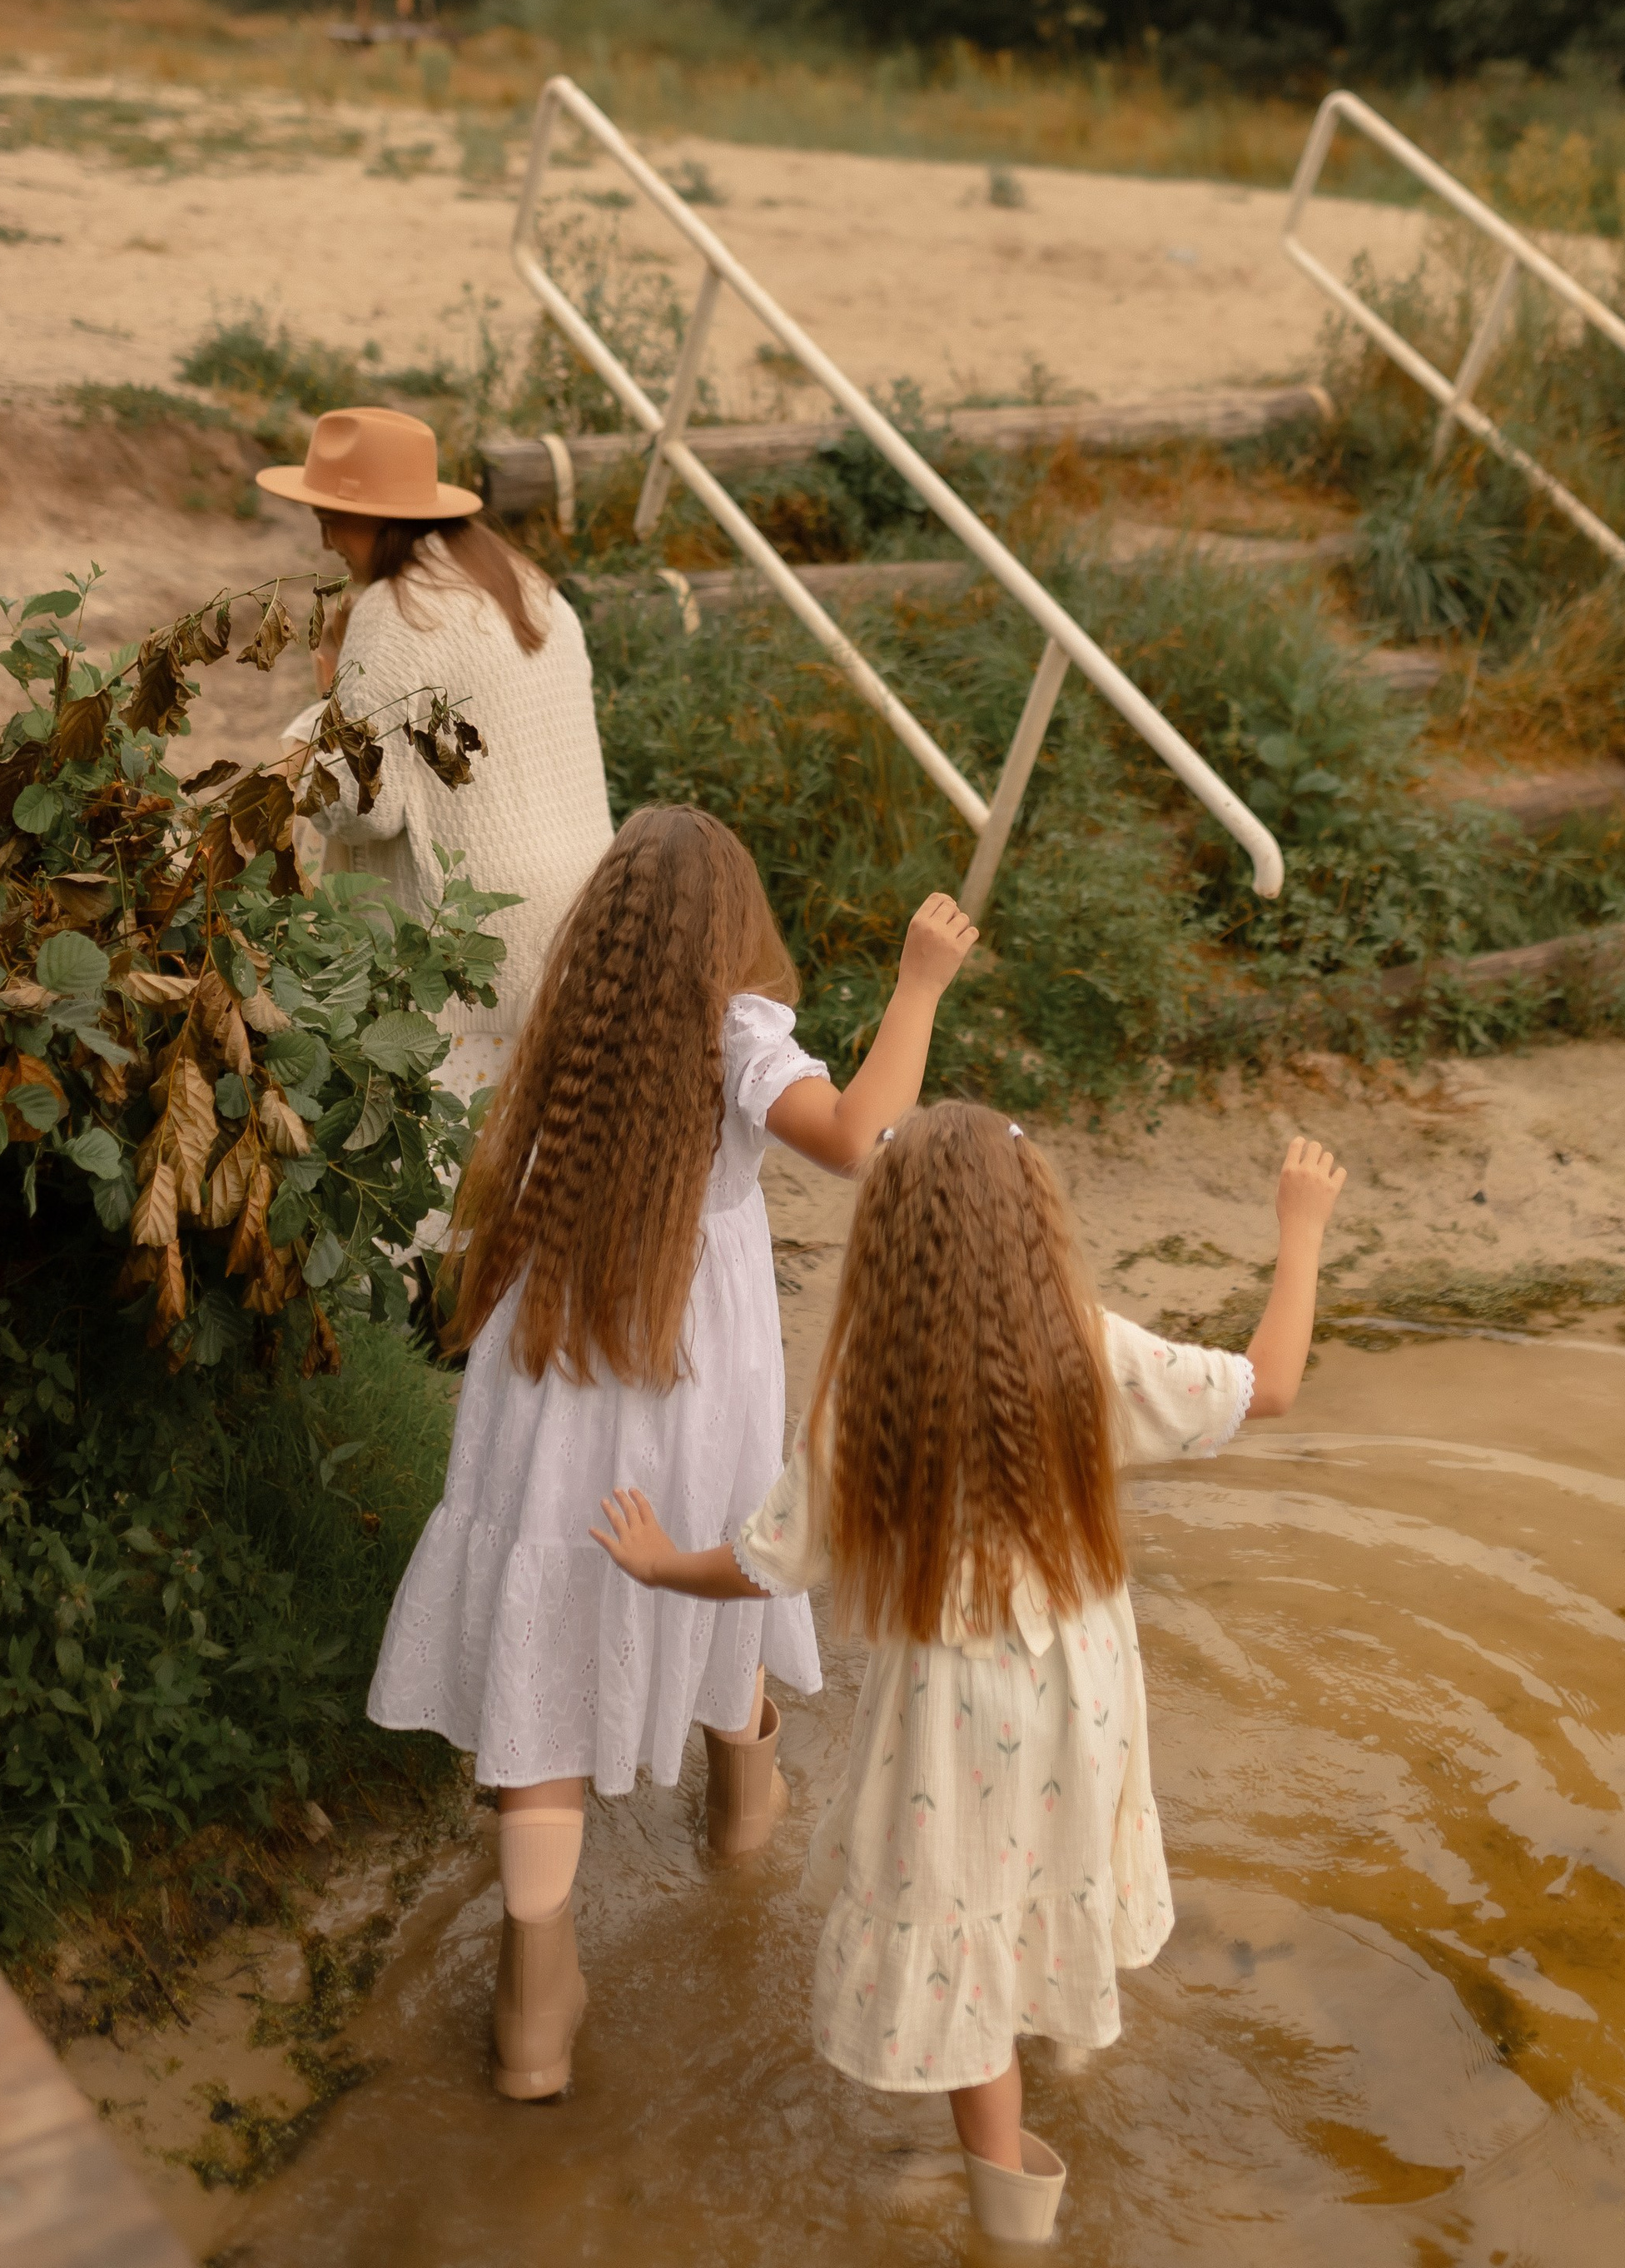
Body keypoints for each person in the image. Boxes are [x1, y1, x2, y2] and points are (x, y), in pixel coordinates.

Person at [593, 1104, 1347, 2247]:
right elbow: (1270, 1384)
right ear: (1034, 1221)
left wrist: (659, 1564)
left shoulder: (868, 1393)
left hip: (953, 1713)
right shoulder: (1088, 1347)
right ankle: (1071, 2045)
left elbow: (766, 1565)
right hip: (1087, 1686)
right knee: (1058, 1861)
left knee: (960, 1926)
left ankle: (1012, 2223)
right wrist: (1301, 1228)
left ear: (886, 1243)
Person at [367, 806, 980, 2101]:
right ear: (733, 929)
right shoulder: (738, 1030)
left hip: (553, 1367)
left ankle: (535, 2004)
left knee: (546, 1640)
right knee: (721, 1556)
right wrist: (920, 986)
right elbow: (859, 1138)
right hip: (688, 1376)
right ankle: (744, 1817)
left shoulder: (573, 1020)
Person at [257, 404, 612, 1097]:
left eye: (331, 515)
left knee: (446, 1154)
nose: (324, 536)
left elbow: (361, 808)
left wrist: (307, 732)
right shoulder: (529, 586)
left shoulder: (396, 608)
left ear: (380, 518)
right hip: (582, 916)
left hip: (465, 944)